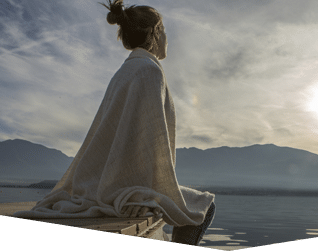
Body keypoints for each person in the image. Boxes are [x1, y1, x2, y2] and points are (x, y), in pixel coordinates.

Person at [13, 0, 215, 246]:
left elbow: (125, 138)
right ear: (156, 32)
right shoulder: (150, 72)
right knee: (206, 204)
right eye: (165, 32)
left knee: (191, 206)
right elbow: (144, 143)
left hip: (98, 184)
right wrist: (137, 194)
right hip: (122, 188)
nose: (167, 39)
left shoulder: (126, 71)